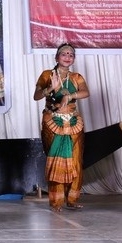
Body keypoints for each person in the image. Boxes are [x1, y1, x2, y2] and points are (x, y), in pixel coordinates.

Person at [34, 43, 90, 212]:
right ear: (56, 57)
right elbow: (36, 96)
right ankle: (56, 201)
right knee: (55, 159)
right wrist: (50, 88)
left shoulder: (76, 77)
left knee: (75, 160)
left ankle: (72, 199)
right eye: (64, 54)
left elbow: (86, 92)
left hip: (73, 122)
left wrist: (70, 96)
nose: (67, 57)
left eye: (71, 54)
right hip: (53, 122)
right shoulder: (47, 75)